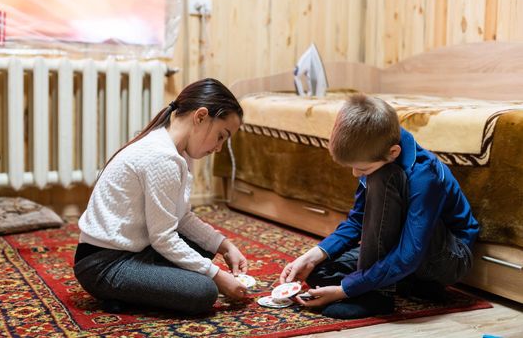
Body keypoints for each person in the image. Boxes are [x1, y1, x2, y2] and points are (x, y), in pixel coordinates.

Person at [280, 93, 479, 319]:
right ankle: (405, 283)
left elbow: (411, 251)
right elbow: (357, 222)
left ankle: (378, 296)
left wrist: (346, 290)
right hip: (404, 248)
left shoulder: (424, 175)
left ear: (393, 152)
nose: (356, 174)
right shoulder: (380, 152)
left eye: (362, 170)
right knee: (318, 271)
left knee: (384, 177)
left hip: (447, 256)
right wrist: (311, 256)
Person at [74, 78, 248, 315]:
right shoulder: (161, 157)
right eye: (221, 136)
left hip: (137, 250)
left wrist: (225, 246)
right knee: (204, 291)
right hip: (103, 265)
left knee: (204, 248)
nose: (218, 148)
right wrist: (217, 276)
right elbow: (164, 237)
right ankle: (118, 293)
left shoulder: (177, 150)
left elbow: (182, 218)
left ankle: (140, 290)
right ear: (200, 116)